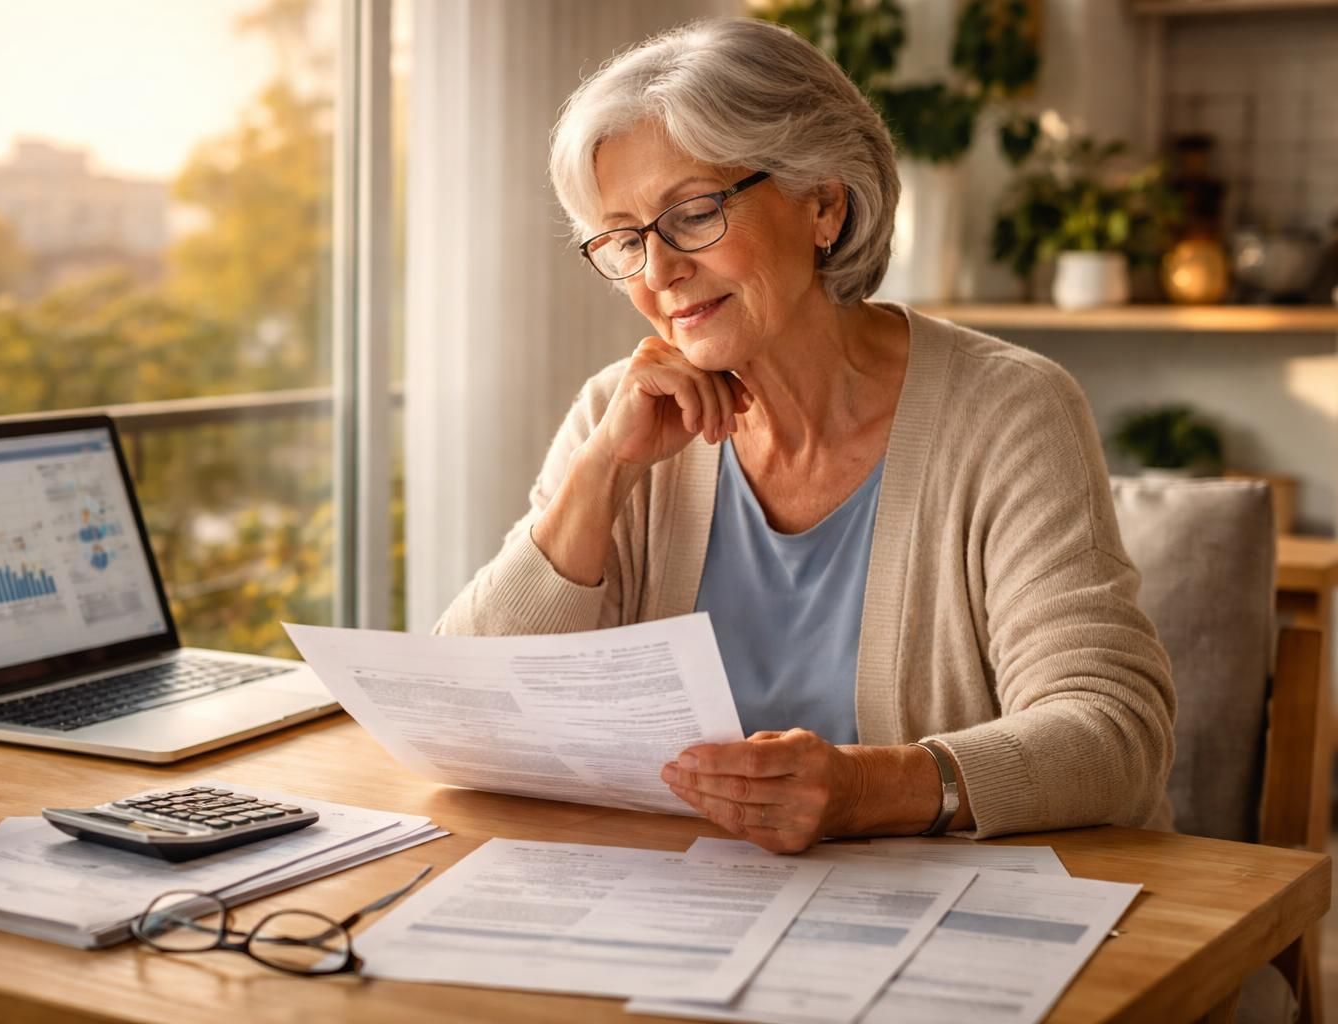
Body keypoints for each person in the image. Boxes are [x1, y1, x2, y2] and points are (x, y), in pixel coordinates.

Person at [437, 17, 1174, 853]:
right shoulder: (621, 408)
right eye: (624, 239)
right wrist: (602, 471)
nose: (659, 271)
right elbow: (466, 713)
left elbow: (1114, 734)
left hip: (963, 921)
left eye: (693, 214)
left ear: (824, 204)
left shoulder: (1009, 409)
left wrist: (869, 789)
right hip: (693, 912)